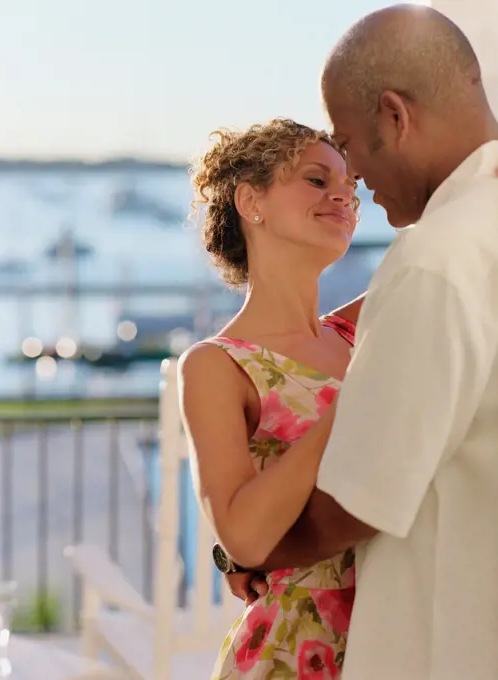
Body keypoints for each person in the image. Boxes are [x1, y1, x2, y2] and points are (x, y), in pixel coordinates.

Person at [225, 5, 498, 679]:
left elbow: (360, 497)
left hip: (447, 645)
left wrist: (254, 552)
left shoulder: (437, 255)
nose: (349, 179)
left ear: (394, 117)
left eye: (345, 145)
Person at [179, 118, 366, 679]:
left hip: (395, 635)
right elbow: (244, 537)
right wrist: (355, 407)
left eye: (352, 188)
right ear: (250, 201)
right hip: (291, 650)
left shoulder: (368, 328)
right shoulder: (217, 365)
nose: (343, 196)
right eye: (316, 179)